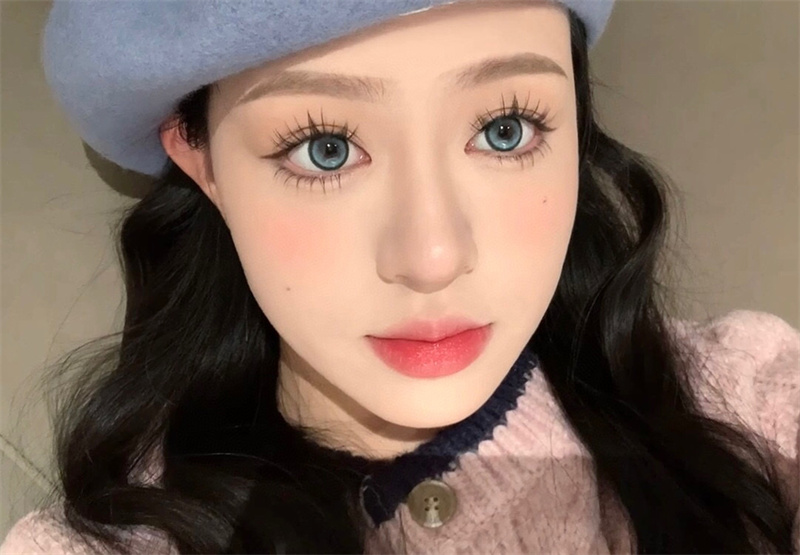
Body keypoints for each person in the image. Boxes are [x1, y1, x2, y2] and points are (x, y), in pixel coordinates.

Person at [2, 0, 799, 553]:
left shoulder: (746, 405)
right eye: (325, 149)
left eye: (505, 128)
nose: (433, 257)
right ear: (199, 158)